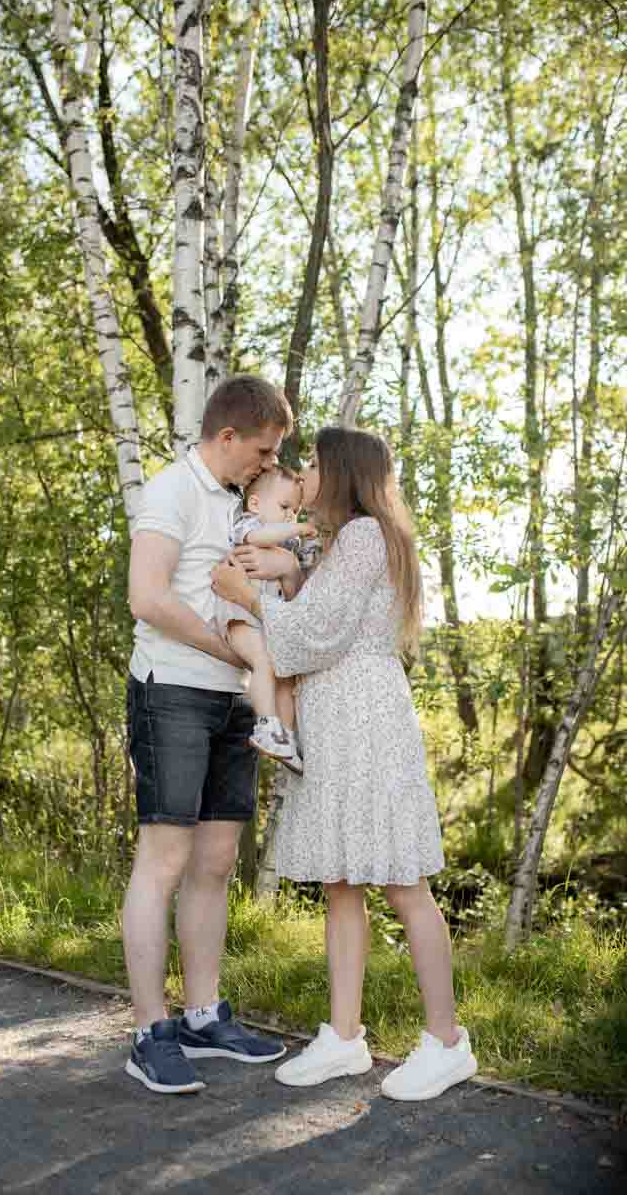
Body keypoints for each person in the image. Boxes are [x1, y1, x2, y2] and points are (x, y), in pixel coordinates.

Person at [212, 426, 478, 1101]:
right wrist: (290, 579)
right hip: (339, 720)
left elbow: (311, 639)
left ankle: (447, 1042)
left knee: (401, 882)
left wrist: (252, 598)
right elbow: (320, 621)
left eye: (313, 465)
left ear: (342, 472)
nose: (301, 476)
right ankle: (344, 1036)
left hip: (364, 720)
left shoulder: (362, 536)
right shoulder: (342, 544)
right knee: (340, 882)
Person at [122, 374, 292, 1095]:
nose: (267, 461)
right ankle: (149, 1031)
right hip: (172, 695)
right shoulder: (170, 492)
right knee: (164, 859)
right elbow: (148, 596)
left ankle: (202, 1015)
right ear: (227, 437)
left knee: (216, 861)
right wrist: (229, 652)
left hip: (229, 703)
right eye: (262, 448)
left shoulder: (235, 503)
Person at [213, 465, 317, 774]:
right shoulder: (248, 525)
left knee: (283, 671)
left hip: (265, 620)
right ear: (255, 503)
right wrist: (298, 529)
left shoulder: (285, 547)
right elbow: (263, 536)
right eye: (285, 507)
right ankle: (266, 725)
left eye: (296, 512)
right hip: (239, 615)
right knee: (263, 662)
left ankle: (286, 736)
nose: (290, 517)